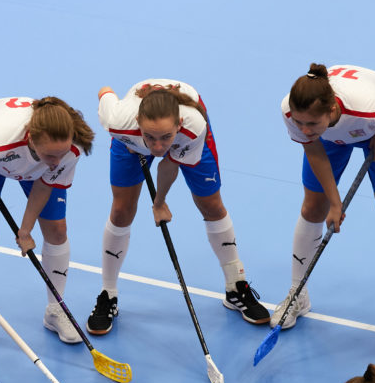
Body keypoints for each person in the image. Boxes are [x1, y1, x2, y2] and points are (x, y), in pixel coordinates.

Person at [91, 79, 269, 332]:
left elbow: (169, 163)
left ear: (178, 125)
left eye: (165, 137)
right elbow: (104, 91)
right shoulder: (118, 121)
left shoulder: (193, 126)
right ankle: (108, 294)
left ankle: (235, 286)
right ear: (138, 124)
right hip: (128, 138)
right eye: (150, 138)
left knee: (211, 204)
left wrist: (159, 202)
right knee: (121, 210)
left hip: (184, 131)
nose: (158, 146)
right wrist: (135, 143)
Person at [275, 64, 375, 328]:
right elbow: (313, 149)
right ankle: (297, 293)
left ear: (331, 110)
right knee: (312, 208)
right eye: (300, 123)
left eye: (310, 123)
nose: (304, 129)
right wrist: (334, 202)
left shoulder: (369, 107)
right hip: (329, 136)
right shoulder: (292, 111)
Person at [0, 96, 95, 354]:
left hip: (30, 166)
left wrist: (25, 231)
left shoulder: (69, 149)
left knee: (57, 230)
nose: (58, 161)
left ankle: (56, 310)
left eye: (62, 154)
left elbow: (45, 184)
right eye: (51, 154)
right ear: (31, 139)